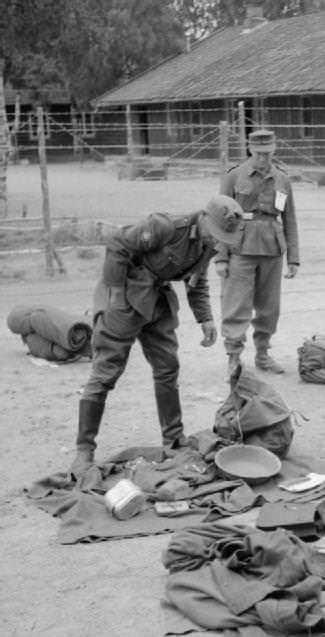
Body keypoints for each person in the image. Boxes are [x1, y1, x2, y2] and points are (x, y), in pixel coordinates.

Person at [70, 195, 244, 475]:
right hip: (125, 299)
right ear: (204, 218)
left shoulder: (207, 242)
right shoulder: (165, 226)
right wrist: (114, 293)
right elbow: (117, 243)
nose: (219, 239)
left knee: (167, 368)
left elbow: (196, 280)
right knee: (105, 374)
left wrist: (206, 318)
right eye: (218, 232)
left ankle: (173, 439)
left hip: (158, 302)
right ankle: (84, 450)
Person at [216, 129, 300, 375]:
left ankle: (263, 354)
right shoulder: (234, 176)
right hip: (240, 247)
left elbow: (290, 219)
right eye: (259, 153)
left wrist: (293, 258)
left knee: (269, 307)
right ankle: (233, 356)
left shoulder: (282, 179)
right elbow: (220, 217)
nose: (264, 158)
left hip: (273, 248)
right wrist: (221, 257)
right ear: (250, 150)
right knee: (236, 304)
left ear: (274, 150)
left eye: (268, 153)